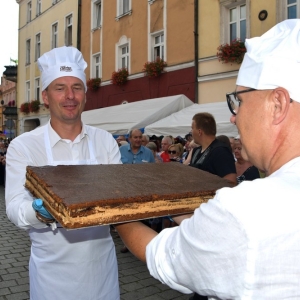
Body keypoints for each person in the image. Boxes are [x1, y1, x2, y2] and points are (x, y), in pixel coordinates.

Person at [114, 19, 300, 298]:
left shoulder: (249, 208)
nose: (233, 116)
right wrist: (177, 210)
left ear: (278, 105)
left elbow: (162, 257)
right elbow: (217, 237)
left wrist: (114, 211)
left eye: (239, 101)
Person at [5, 46, 121, 300]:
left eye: (77, 87)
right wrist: (41, 209)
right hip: (52, 280)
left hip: (103, 276)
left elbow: (118, 201)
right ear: (45, 97)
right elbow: (14, 207)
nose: (70, 96)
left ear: (85, 95)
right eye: (60, 88)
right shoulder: (24, 147)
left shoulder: (106, 143)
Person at [189, 112, 237, 184]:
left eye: (192, 128)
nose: (191, 132)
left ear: (199, 132)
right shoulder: (196, 151)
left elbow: (230, 182)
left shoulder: (220, 151)